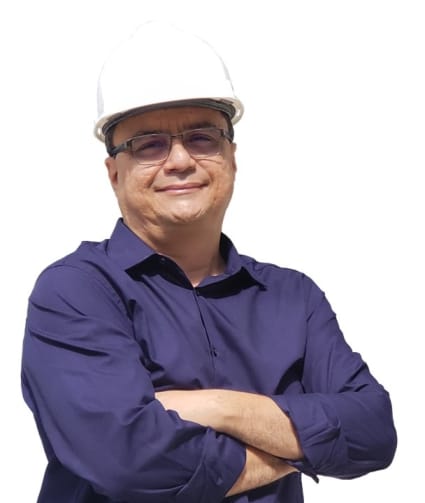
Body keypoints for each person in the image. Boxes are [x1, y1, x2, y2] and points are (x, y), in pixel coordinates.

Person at [21, 21, 397, 502]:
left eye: (202, 137)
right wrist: (305, 445)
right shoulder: (76, 292)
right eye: (148, 144)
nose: (180, 161)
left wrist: (220, 408)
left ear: (231, 157)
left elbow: (374, 432)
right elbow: (132, 464)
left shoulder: (294, 297)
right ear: (114, 173)